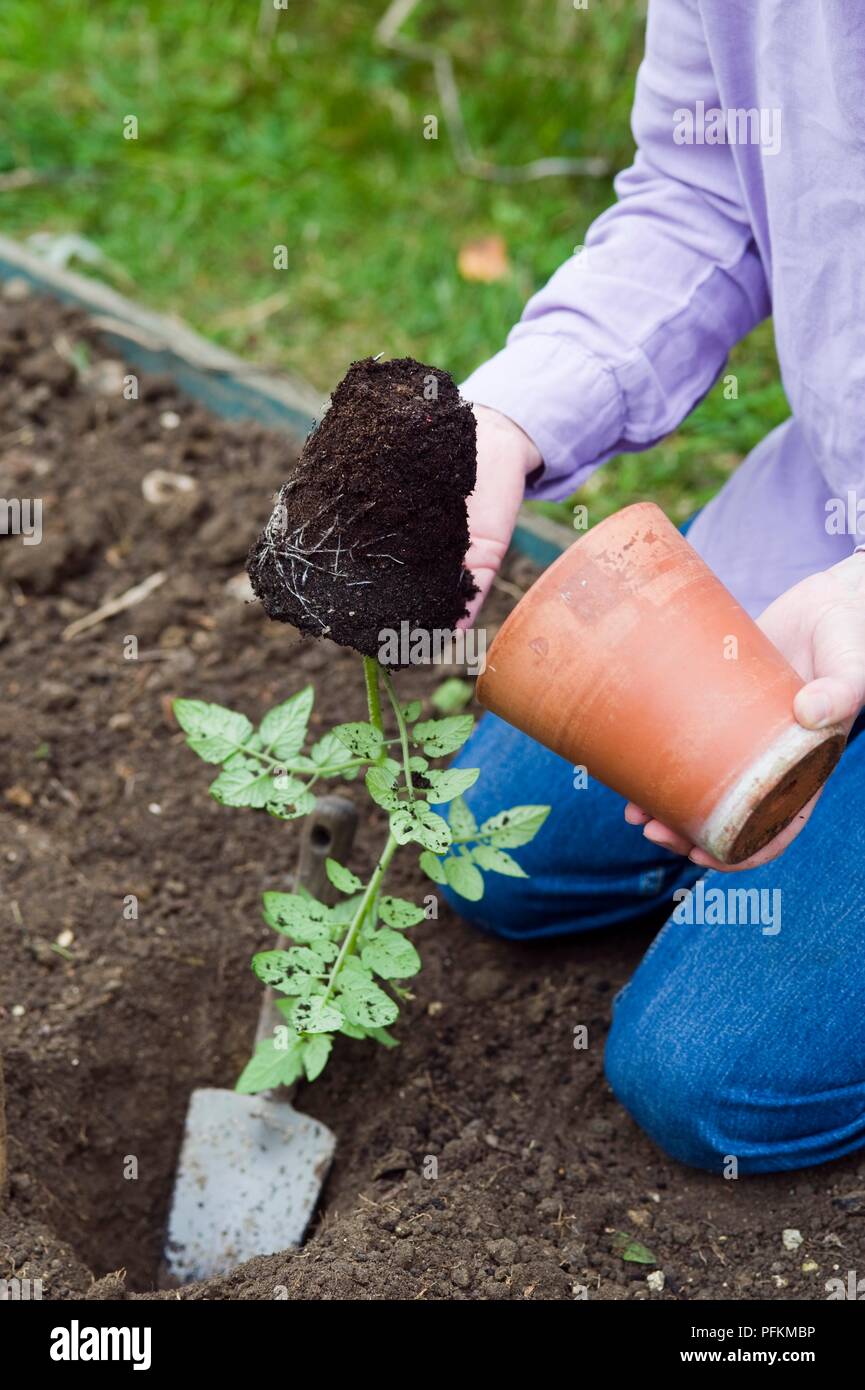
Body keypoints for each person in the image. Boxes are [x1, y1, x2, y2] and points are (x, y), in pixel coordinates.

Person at [446, 0, 865, 1173]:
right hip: (822, 533)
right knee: (489, 838)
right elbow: (702, 196)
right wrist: (505, 419)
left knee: (711, 1074)